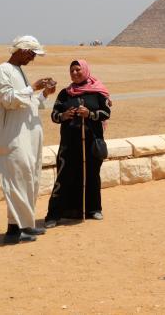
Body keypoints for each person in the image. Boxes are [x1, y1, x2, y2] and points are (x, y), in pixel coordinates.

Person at [0, 35, 56, 244]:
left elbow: (28, 103)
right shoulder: (3, 70)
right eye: (31, 54)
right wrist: (33, 88)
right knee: (17, 181)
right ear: (21, 50)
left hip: (28, 138)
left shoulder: (19, 71)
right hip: (14, 137)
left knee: (29, 179)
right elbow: (8, 100)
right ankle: (13, 231)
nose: (33, 58)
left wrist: (44, 94)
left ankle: (25, 225)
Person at [44, 60, 111, 227]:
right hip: (69, 144)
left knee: (92, 175)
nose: (74, 73)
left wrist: (90, 114)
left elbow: (106, 112)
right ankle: (54, 215)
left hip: (92, 143)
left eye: (77, 69)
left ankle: (94, 209)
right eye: (72, 70)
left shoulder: (98, 93)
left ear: (85, 70)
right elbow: (54, 115)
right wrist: (63, 115)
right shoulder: (65, 94)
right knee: (64, 176)